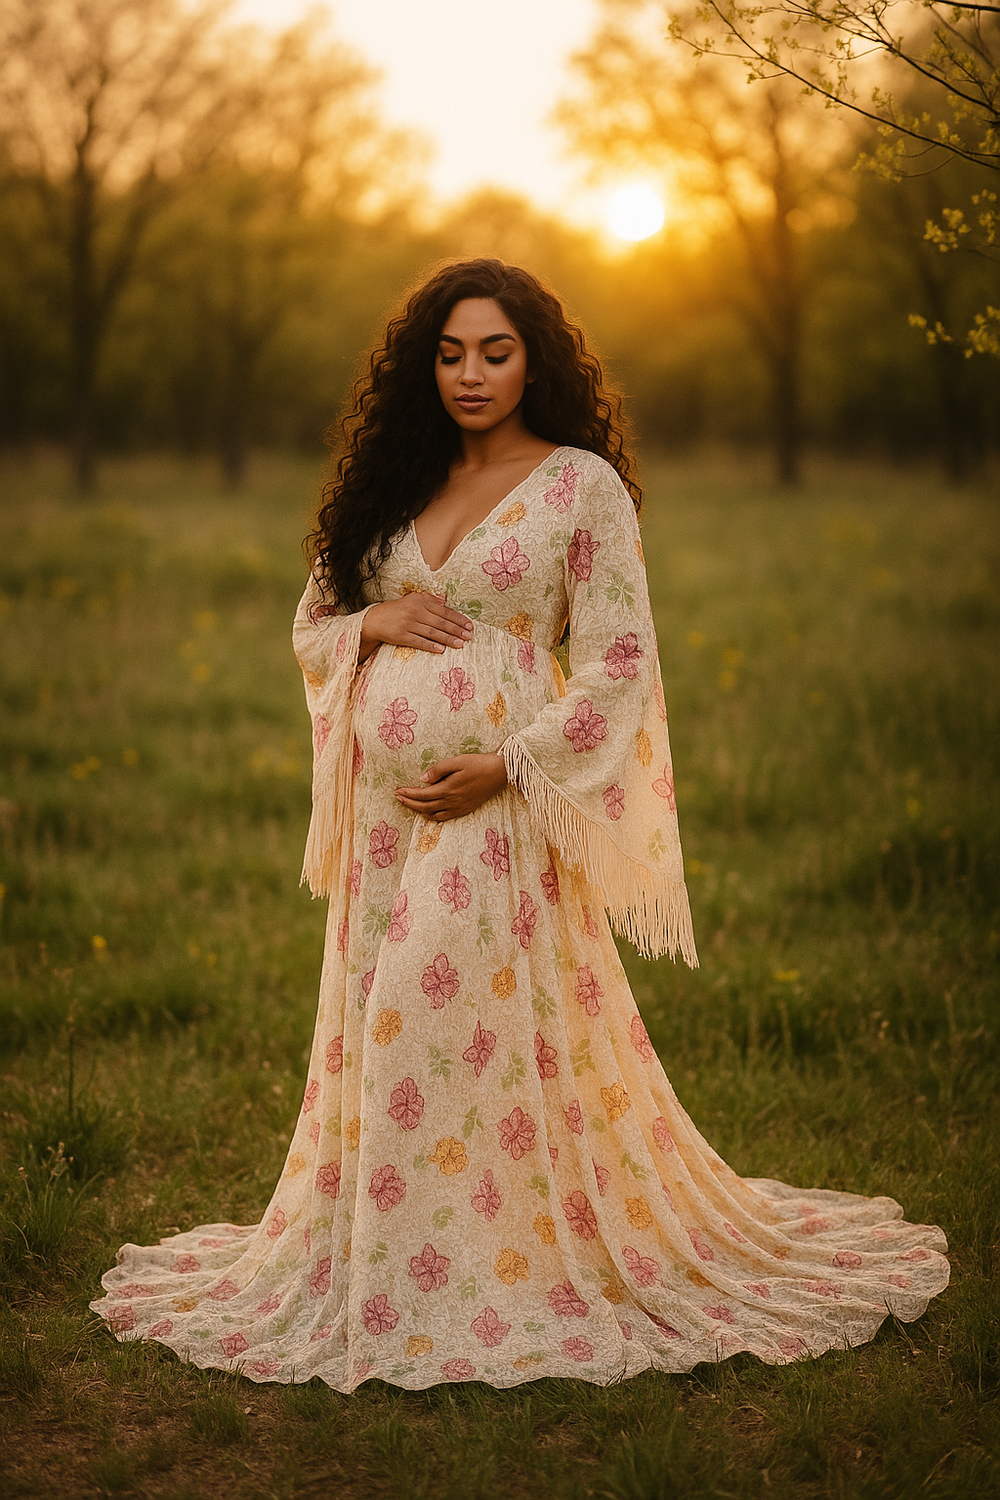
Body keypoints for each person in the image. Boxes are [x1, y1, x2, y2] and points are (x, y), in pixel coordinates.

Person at [91, 258, 948, 1390]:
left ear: (535, 355)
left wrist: (504, 765)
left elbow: (618, 664)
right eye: (448, 353)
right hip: (388, 824)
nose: (470, 373)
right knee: (400, 1031)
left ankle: (497, 1272)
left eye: (494, 351)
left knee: (425, 1019)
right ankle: (403, 1267)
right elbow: (314, 625)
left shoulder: (577, 485)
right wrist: (375, 620)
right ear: (422, 364)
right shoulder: (395, 481)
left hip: (502, 810)